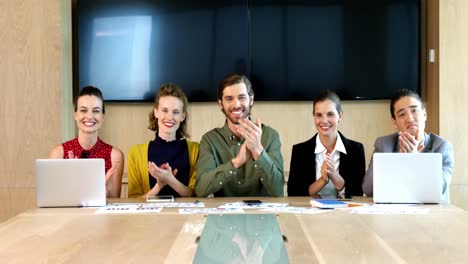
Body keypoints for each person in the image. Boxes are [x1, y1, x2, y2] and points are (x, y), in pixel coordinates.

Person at [195, 74, 284, 197]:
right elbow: (201, 190)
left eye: (242, 97)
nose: (236, 105)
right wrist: (236, 162)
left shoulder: (270, 135)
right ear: (220, 104)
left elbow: (278, 191)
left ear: (251, 100)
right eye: (229, 99)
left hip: (262, 215)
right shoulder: (210, 140)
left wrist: (258, 150)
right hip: (223, 215)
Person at [362, 89, 454, 203]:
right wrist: (400, 160)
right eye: (402, 114)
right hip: (395, 214)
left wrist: (415, 159)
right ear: (394, 122)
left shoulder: (442, 147)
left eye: (414, 110)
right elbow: (368, 189)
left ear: (424, 114)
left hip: (431, 215)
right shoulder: (384, 144)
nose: (410, 118)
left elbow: (439, 189)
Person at [287, 91, 365, 198]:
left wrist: (334, 175)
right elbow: (294, 193)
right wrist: (322, 180)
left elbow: (357, 194)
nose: (324, 121)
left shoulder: (356, 150)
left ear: (340, 116)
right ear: (314, 117)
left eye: (330, 114)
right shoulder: (300, 151)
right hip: (309, 213)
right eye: (319, 115)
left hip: (344, 213)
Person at [49, 86, 124, 198]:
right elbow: (53, 200)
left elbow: (114, 202)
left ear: (102, 117)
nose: (89, 116)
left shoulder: (115, 156)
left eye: (96, 111)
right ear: (75, 115)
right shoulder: (58, 154)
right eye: (83, 110)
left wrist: (100, 189)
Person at [127, 83, 199, 198]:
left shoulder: (196, 150)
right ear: (156, 112)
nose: (169, 117)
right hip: (149, 216)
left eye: (175, 112)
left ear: (183, 116)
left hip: (185, 216)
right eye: (164, 110)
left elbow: (197, 196)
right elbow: (134, 200)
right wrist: (159, 186)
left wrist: (170, 180)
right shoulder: (136, 153)